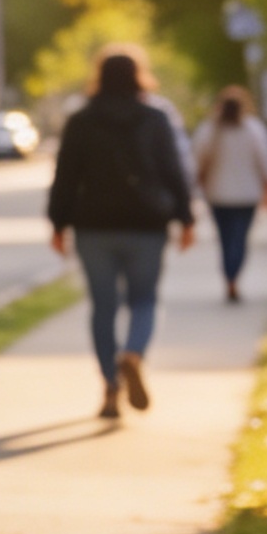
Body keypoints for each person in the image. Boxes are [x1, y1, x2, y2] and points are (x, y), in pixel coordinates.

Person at [49, 49, 197, 416]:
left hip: (94, 226)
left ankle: (111, 386)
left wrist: (58, 222)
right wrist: (186, 218)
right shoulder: (155, 118)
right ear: (138, 76)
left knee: (103, 307)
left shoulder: (81, 120)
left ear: (99, 77)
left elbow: (66, 176)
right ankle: (133, 353)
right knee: (144, 300)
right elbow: (173, 171)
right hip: (147, 225)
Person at [194, 86, 267, 302]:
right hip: (247, 195)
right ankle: (233, 276)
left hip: (218, 194)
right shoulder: (254, 129)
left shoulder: (209, 130)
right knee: (240, 238)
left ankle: (229, 276)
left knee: (225, 239)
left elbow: (195, 161)